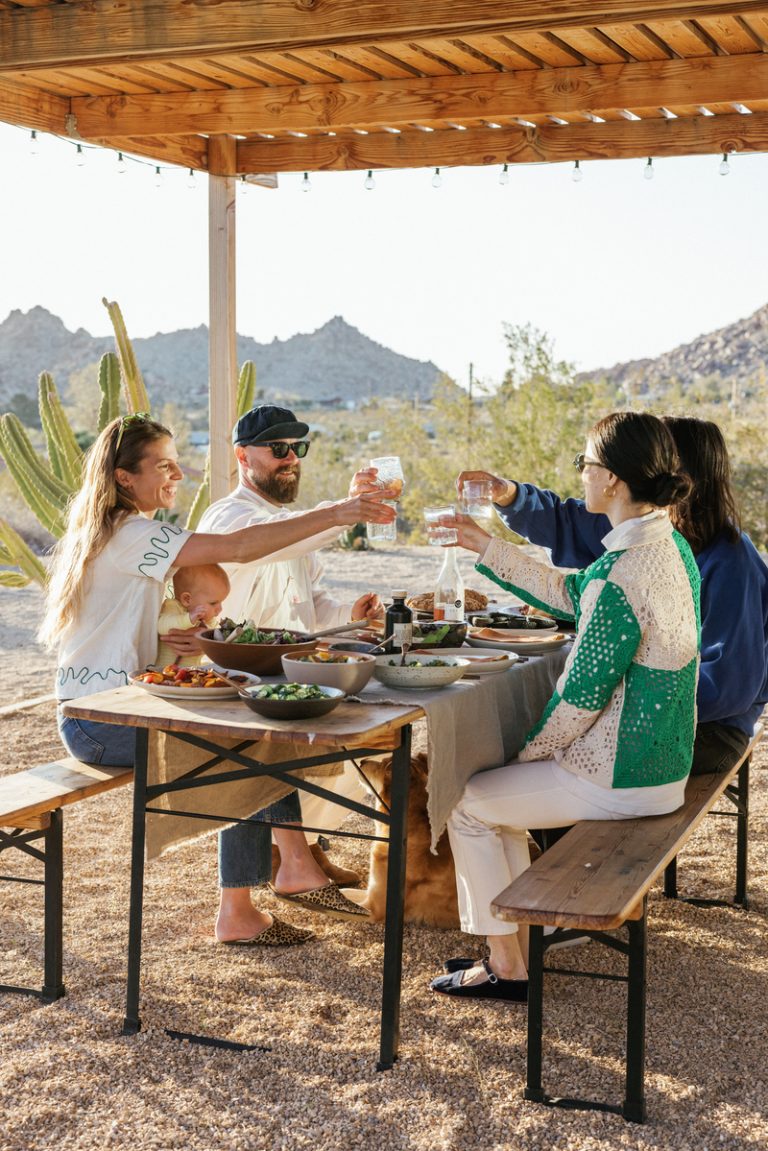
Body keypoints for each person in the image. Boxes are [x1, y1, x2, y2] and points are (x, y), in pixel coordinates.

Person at [39, 412, 395, 947]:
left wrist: (187, 635)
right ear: (123, 477)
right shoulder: (133, 532)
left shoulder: (115, 531)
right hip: (99, 720)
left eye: (177, 463)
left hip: (115, 705)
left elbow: (156, 612)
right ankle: (243, 907)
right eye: (163, 465)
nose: (177, 474)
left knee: (257, 734)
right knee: (244, 747)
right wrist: (340, 512)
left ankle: (291, 867)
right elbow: (240, 547)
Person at [430, 411, 699, 1001]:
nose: (580, 476)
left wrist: (529, 753)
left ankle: (506, 964)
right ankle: (515, 945)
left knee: (467, 803)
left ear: (614, 481)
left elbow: (577, 700)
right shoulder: (671, 549)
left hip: (622, 778)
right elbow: (573, 593)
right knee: (494, 796)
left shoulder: (622, 573)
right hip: (666, 767)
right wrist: (485, 546)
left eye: (586, 465)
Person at [458, 416, 768, 775]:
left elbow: (730, 688)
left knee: (547, 755)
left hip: (709, 730)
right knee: (544, 739)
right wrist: (508, 494)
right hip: (654, 713)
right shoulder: (646, 528)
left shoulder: (729, 560)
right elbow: (567, 523)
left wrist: (619, 707)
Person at [195, 404, 389, 939]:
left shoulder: (289, 523)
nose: (291, 460)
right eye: (278, 449)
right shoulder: (231, 520)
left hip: (285, 676)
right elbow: (276, 538)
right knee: (253, 760)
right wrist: (343, 510)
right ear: (242, 455)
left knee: (357, 737)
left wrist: (350, 617)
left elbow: (308, 602)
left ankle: (300, 861)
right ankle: (261, 892)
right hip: (237, 681)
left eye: (298, 449)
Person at [156, 563, 230, 667]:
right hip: (165, 671)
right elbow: (162, 626)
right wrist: (189, 618)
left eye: (221, 602)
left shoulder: (206, 619)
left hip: (193, 672)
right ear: (187, 599)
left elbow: (213, 637)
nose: (220, 609)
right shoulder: (172, 606)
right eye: (213, 603)